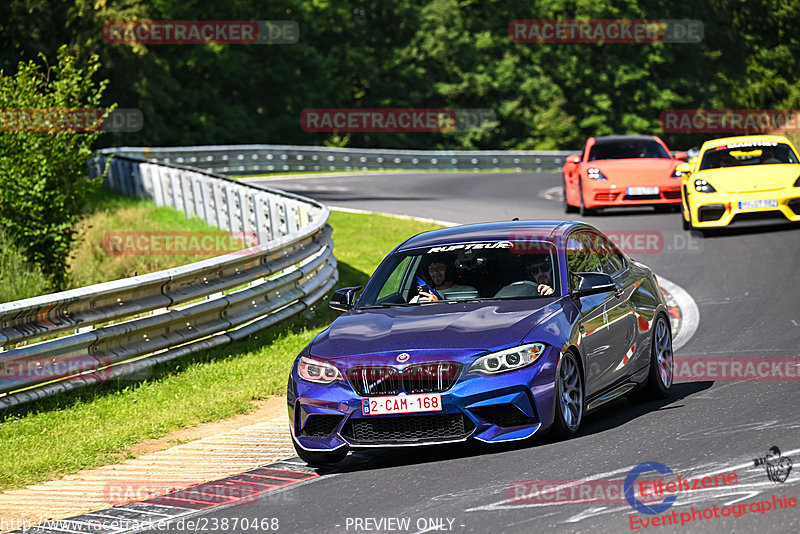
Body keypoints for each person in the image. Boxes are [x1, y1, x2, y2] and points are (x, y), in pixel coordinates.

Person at [412, 255, 477, 302]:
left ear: (449, 270)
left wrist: (437, 304)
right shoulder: (425, 296)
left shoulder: (467, 292)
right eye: (431, 268)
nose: (435, 272)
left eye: (440, 267)